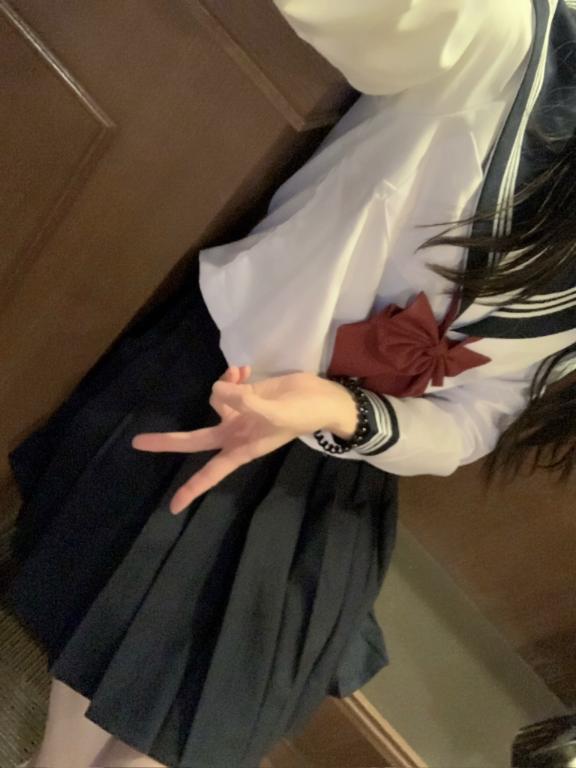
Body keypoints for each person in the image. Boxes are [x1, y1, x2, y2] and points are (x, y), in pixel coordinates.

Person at [4, 0, 576, 766]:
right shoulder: (508, 41)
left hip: (340, 457)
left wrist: (342, 410)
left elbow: (478, 418)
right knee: (144, 614)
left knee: (238, 677)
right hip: (228, 377)